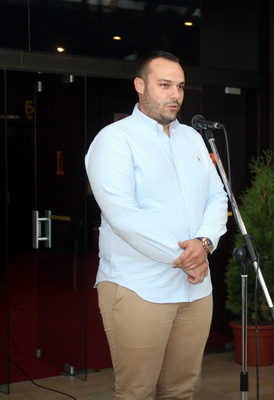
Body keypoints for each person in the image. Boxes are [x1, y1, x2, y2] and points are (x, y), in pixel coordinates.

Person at [85, 51, 229, 399]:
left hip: (195, 289)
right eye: (164, 85)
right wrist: (188, 258)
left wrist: (205, 243)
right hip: (139, 286)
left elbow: (217, 196)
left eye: (180, 86)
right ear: (140, 85)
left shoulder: (193, 138)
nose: (175, 95)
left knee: (181, 390)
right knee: (137, 392)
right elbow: (124, 214)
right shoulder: (114, 139)